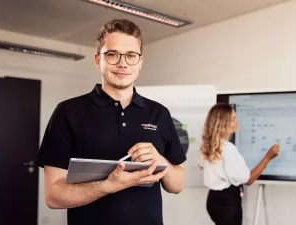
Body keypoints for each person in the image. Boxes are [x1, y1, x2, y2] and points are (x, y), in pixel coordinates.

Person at [36, 19, 186, 225]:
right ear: (98, 60)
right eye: (113, 54)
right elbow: (53, 196)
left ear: (140, 62)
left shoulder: (159, 113)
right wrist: (110, 185)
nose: (123, 63)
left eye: (131, 56)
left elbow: (177, 185)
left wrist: (161, 162)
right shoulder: (68, 112)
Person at [199, 103, 280, 225]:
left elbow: (203, 166)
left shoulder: (208, 146)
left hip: (212, 201)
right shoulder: (228, 149)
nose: (236, 122)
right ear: (223, 123)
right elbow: (249, 180)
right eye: (233, 119)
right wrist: (268, 157)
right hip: (227, 204)